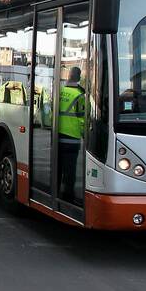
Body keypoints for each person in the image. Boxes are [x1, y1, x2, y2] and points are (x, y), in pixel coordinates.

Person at [57, 66, 87, 203]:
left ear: (69, 76)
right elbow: (82, 119)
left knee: (58, 167)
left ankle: (55, 192)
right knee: (70, 171)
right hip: (72, 139)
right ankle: (68, 196)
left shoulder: (60, 91)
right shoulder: (80, 95)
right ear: (79, 77)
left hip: (57, 136)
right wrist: (85, 134)